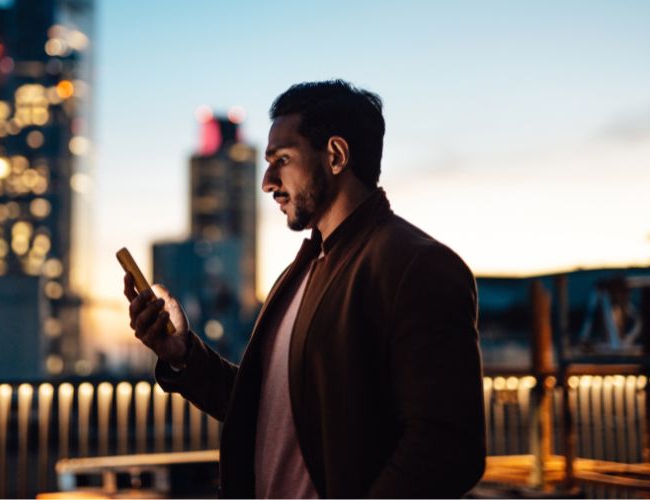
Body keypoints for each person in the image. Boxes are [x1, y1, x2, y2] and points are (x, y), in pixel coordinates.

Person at [124, 80, 486, 498]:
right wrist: (182, 354)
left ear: (335, 156)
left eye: (282, 159)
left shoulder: (418, 265)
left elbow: (448, 448)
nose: (267, 182)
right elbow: (267, 411)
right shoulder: (302, 271)